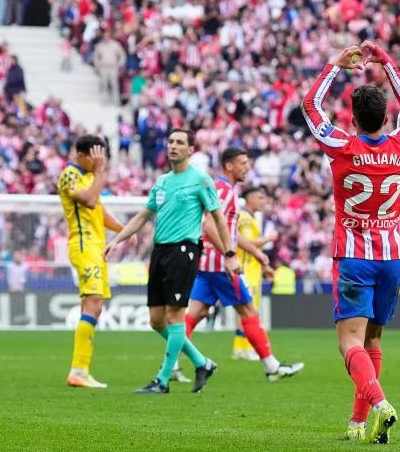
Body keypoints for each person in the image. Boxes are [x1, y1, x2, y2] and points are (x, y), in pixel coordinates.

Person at [302, 40, 400, 444]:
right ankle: (357, 423)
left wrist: (335, 64)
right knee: (374, 339)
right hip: (391, 256)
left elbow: (310, 106)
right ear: (386, 117)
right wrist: (385, 59)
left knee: (350, 342)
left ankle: (380, 404)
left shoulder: (342, 146)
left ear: (352, 119)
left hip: (353, 255)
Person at [104, 129, 240, 394]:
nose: (173, 146)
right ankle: (201, 363)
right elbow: (142, 216)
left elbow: (218, 219)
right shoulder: (162, 182)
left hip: (184, 250)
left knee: (174, 315)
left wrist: (230, 254)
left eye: (179, 142)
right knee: (156, 320)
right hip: (160, 252)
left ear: (190, 150)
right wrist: (117, 239)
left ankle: (162, 380)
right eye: (171, 142)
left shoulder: (201, 180)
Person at [189, 148, 304, 380]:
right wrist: (230, 255)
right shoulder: (224, 190)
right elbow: (209, 226)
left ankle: (169, 366)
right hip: (221, 265)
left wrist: (255, 252)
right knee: (249, 311)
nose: (247, 167)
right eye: (242, 163)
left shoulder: (221, 188)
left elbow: (229, 232)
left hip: (208, 262)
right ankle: (272, 367)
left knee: (194, 314)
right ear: (229, 166)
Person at [57, 135, 128, 389]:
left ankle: (82, 369)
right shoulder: (70, 175)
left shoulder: (89, 178)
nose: (101, 161)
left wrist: (125, 231)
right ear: (82, 155)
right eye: (96, 156)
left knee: (95, 307)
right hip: (83, 245)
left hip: (97, 248)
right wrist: (100, 173)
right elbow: (88, 200)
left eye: (103, 156)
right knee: (93, 302)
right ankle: (78, 371)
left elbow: (100, 211)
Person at [232, 186, 277, 360]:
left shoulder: (250, 217)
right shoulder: (245, 218)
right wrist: (269, 238)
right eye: (260, 198)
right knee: (249, 311)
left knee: (246, 310)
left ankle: (241, 347)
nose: (263, 201)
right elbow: (249, 243)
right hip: (246, 270)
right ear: (250, 199)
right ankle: (244, 348)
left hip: (252, 270)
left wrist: (264, 267)